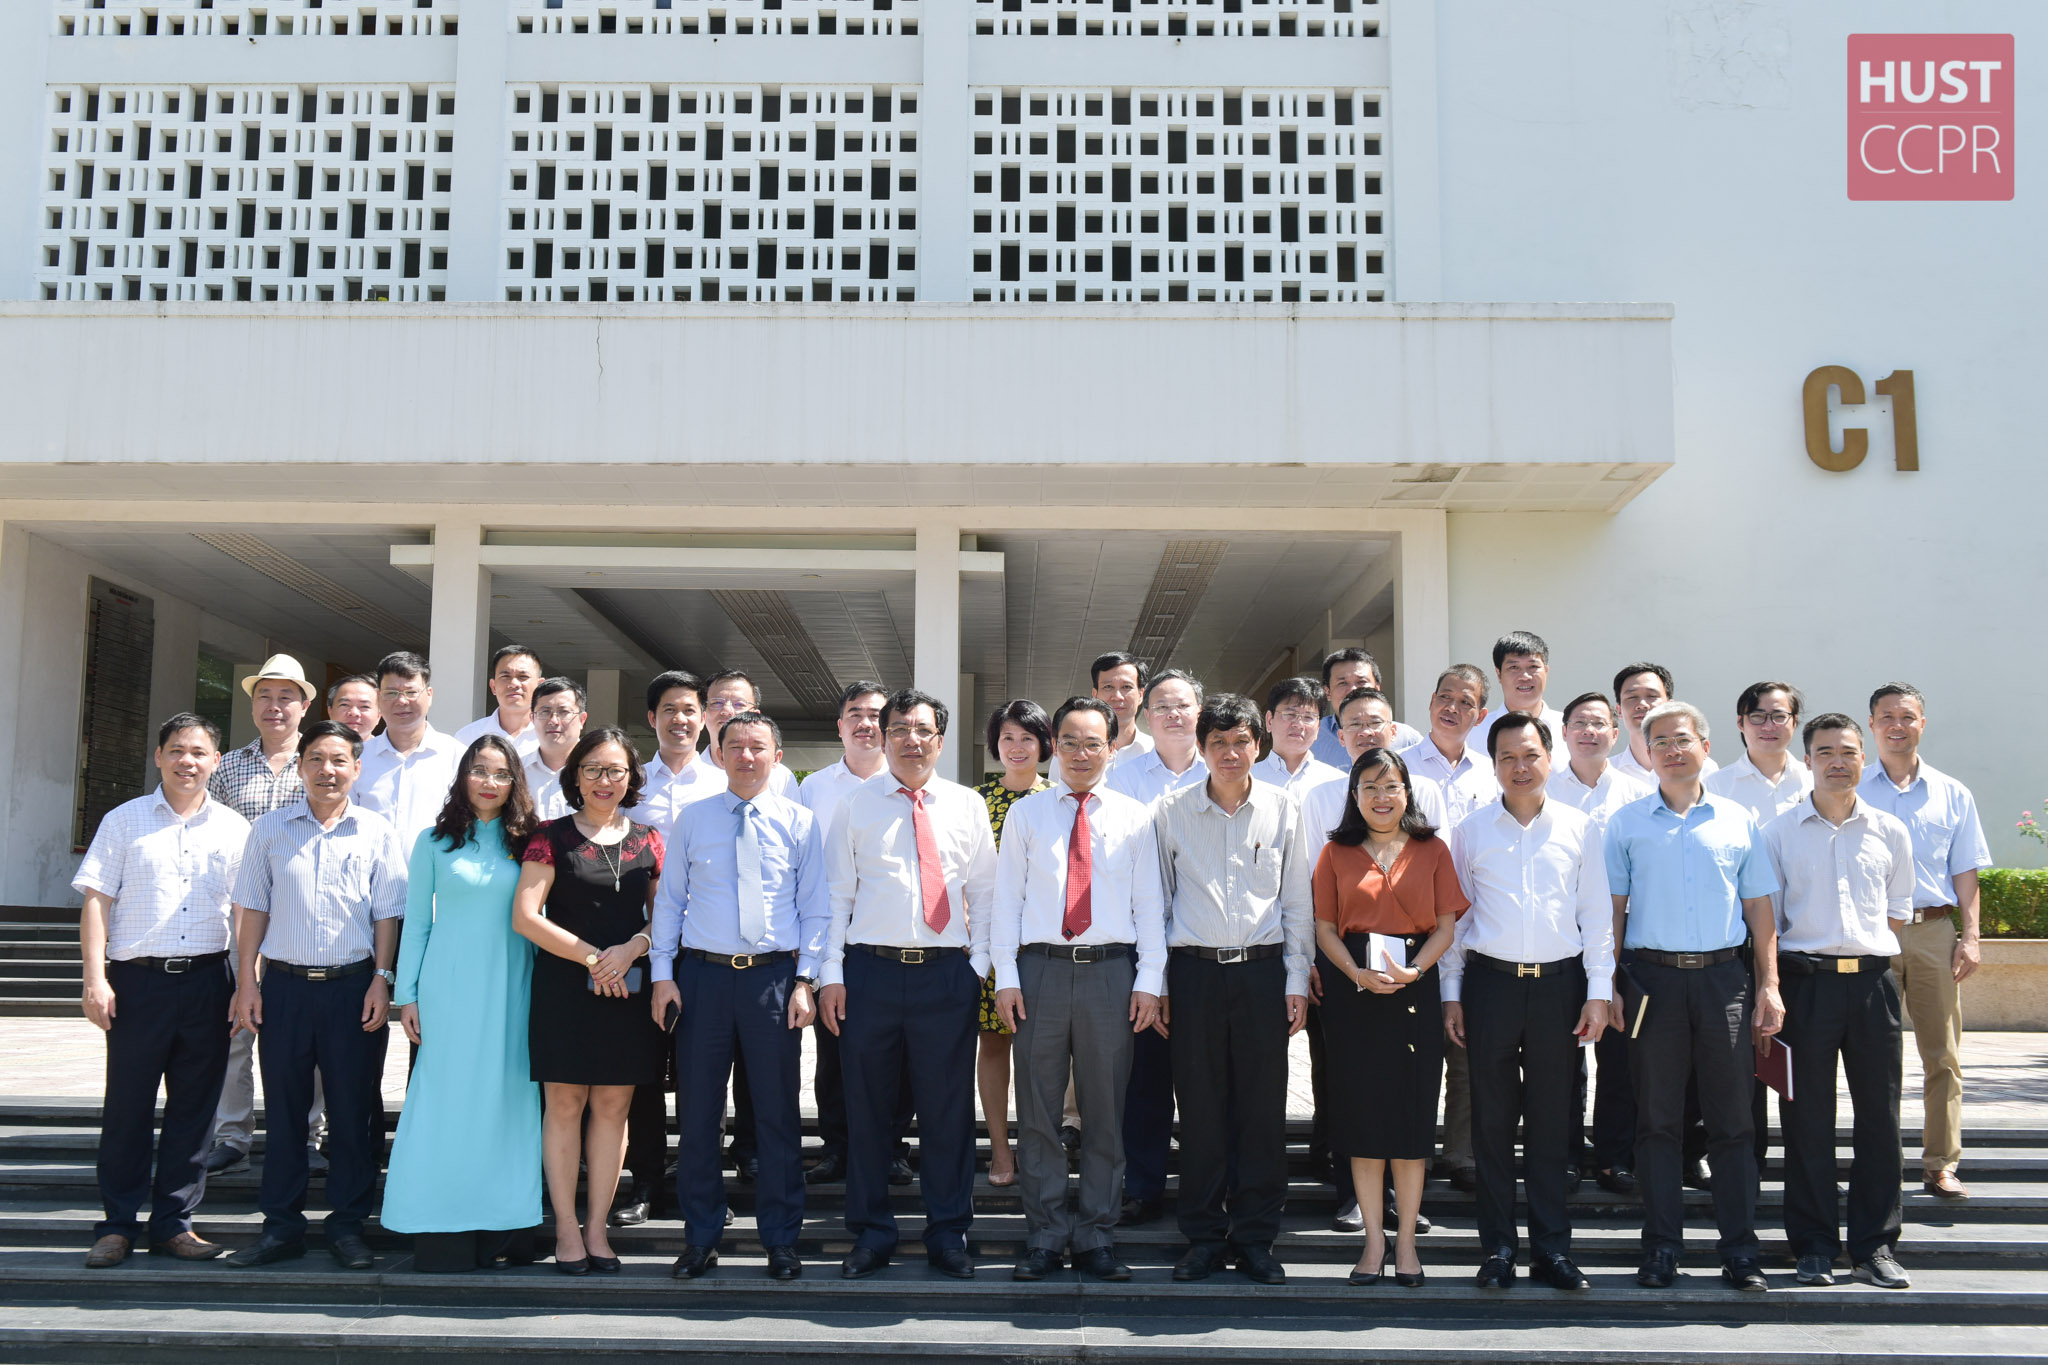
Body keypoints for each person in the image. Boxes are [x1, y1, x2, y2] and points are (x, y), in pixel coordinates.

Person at [818, 688, 997, 1280]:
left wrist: (978, 966)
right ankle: (872, 1233)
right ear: (884, 736)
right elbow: (835, 896)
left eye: (923, 730)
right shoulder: (855, 805)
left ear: (940, 741)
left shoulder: (967, 805)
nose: (911, 740)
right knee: (868, 1110)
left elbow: (985, 894)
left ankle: (948, 1233)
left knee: (947, 1112)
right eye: (899, 729)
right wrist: (831, 973)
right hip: (869, 973)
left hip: (946, 975)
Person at [1605, 700, 1781, 1293]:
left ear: (1706, 746)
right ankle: (1661, 1249)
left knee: (1733, 1121)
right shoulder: (1626, 824)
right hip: (1652, 982)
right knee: (1656, 1122)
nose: (1672, 750)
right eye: (1660, 742)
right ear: (1647, 753)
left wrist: (1769, 985)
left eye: (1682, 739)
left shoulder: (1738, 820)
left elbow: (1759, 909)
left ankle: (1740, 1252)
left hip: (1724, 981)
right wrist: (1609, 983)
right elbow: (1613, 911)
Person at [993, 697, 1166, 1282]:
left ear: (1111, 748)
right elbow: (1006, 901)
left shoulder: (1134, 817)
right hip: (1039, 971)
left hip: (1111, 974)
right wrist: (1006, 977)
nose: (1081, 753)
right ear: (1054, 746)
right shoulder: (1027, 816)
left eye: (1094, 742)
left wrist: (1149, 981)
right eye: (1070, 741)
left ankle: (1096, 1234)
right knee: (1038, 1110)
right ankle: (1044, 1235)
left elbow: (1149, 905)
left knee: (1105, 1111)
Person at [224, 720, 408, 1271]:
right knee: (284, 1114)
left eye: (339, 761)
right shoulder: (270, 829)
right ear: (301, 766)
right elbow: (253, 909)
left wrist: (382, 978)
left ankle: (347, 1226)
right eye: (316, 760)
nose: (328, 771)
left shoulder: (376, 831)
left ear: (357, 768)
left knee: (352, 1114)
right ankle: (281, 1228)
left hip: (354, 989)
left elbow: (388, 914)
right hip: (283, 989)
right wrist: (247, 981)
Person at [649, 711, 826, 1281]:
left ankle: (781, 1239)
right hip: (701, 979)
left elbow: (815, 908)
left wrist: (807, 980)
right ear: (719, 754)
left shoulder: (800, 822)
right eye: (736, 747)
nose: (747, 756)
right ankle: (701, 1236)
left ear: (777, 756)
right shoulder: (694, 819)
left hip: (772, 982)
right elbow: (670, 902)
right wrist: (662, 975)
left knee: (777, 1114)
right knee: (699, 1113)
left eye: (758, 747)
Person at [1441, 714, 1612, 1293]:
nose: (1520, 767)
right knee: (1491, 1124)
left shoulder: (1579, 827)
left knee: (1551, 1124)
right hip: (1490, 987)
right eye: (1508, 757)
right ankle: (1497, 1250)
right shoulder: (1470, 831)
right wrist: (1452, 995)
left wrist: (1598, 992)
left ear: (1550, 758)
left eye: (1531, 755)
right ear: (1493, 765)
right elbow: (1456, 922)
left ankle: (1552, 1250)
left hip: (1560, 989)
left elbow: (1596, 916)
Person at [75, 713, 250, 1268]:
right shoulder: (124, 821)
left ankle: (175, 1223)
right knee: (127, 1107)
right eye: (176, 750)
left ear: (215, 761)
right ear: (158, 757)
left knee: (195, 1111)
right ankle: (117, 1226)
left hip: (209, 983)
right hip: (137, 983)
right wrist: (95, 978)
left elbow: (246, 913)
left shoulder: (234, 828)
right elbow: (97, 901)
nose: (186, 761)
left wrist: (246, 983)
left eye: (198, 752)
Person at [1154, 693, 1313, 1286]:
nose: (1229, 752)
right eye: (1217, 742)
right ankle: (1202, 1236)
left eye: (1240, 741)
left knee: (1262, 1111)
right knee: (1199, 1108)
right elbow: (1158, 902)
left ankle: (1255, 1237)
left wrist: (1296, 978)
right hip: (1193, 973)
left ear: (1258, 745)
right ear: (1201, 748)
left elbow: (1296, 902)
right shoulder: (1171, 812)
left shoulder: (1283, 808)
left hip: (1261, 972)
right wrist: (1159, 983)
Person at [1762, 714, 1914, 1289]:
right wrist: (1772, 988)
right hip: (1807, 985)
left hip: (1873, 985)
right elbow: (1769, 921)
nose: (1837, 762)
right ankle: (1814, 1245)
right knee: (1806, 1118)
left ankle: (1876, 1245)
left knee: (1881, 1116)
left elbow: (1897, 910)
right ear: (1807, 761)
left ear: (1863, 758)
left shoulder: (1889, 830)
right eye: (1824, 752)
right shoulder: (1780, 832)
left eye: (1848, 751)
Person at [383, 736, 544, 1271]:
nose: (489, 782)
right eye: (479, 770)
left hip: (514, 986)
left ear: (515, 782)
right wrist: (406, 995)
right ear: (462, 777)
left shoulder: (532, 843)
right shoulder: (433, 842)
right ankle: (439, 1221)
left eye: (501, 773)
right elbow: (417, 923)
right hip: (447, 989)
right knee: (445, 1103)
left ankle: (506, 1226)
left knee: (509, 1102)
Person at [512, 726, 666, 1274]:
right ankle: (565, 1228)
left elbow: (666, 917)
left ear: (631, 777)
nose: (605, 780)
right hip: (565, 988)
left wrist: (632, 949)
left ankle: (597, 1228)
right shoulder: (548, 837)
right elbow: (526, 916)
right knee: (564, 1105)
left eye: (616, 770)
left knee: (613, 1108)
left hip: (627, 988)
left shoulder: (649, 840)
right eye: (593, 769)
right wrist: (595, 958)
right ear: (575, 776)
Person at [1312, 745, 1464, 1288]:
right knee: (1363, 1121)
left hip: (1413, 991)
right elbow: (1324, 928)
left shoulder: (1433, 849)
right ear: (1354, 796)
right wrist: (1356, 974)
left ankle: (1406, 1244)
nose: (1382, 797)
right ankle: (1373, 1241)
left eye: (1391, 786)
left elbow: (1445, 926)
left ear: (1407, 792)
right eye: (1370, 787)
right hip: (1353, 992)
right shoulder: (1335, 853)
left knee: (1410, 1119)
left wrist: (1416, 971)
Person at [1859, 681, 1992, 1201]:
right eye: (1887, 717)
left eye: (1907, 716)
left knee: (1943, 1055)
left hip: (1935, 931)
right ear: (1872, 725)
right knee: (1875, 1056)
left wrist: (1971, 936)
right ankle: (1879, 1164)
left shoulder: (1953, 793)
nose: (1898, 725)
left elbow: (1965, 872)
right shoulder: (1852, 788)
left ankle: (1940, 1163)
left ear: (1922, 723)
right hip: (1874, 933)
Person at [796, 681, 913, 1189]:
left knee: (898, 1054)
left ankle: (891, 1148)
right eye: (855, 714)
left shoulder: (909, 782)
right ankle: (837, 1147)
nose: (866, 724)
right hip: (833, 937)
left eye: (875, 715)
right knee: (835, 1048)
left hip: (892, 939)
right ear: (840, 726)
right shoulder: (813, 789)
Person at [204, 655, 314, 1179]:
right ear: (252, 705)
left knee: (304, 1036)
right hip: (239, 917)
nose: (275, 706)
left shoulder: (320, 760)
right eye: (265, 696)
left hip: (302, 920)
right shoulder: (226, 767)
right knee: (234, 1028)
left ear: (304, 705)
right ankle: (232, 1135)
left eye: (286, 697)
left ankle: (309, 1133)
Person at [1106, 668, 1207, 1228]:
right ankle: (1142, 1187)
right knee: (1143, 1080)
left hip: (1202, 952)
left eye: (1183, 705)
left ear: (1199, 712)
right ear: (1146, 715)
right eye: (1162, 706)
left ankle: (1203, 1190)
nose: (1172, 714)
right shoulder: (1121, 779)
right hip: (1140, 952)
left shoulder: (1222, 771)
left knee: (1204, 1082)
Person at [1399, 665, 1501, 1194]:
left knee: (1466, 1050)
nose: (1452, 708)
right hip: (1413, 928)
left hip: (1476, 925)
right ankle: (1408, 1151)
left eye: (1465, 702)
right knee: (1412, 1054)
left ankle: (1460, 1152)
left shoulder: (1491, 773)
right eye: (1445, 697)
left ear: (1480, 715)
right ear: (1430, 702)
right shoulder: (1400, 767)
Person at [1546, 691, 1653, 1197]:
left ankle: (1614, 1156)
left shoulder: (1638, 793)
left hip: (1624, 938)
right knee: (1565, 1055)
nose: (1589, 732)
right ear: (1564, 732)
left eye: (1598, 723)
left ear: (1615, 732)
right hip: (1561, 939)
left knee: (1620, 1054)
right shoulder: (1544, 788)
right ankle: (1566, 1156)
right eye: (1579, 723)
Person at [974, 699, 1054, 1188]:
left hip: (1047, 945)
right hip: (991, 944)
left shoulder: (1060, 798)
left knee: (1045, 1052)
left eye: (1027, 737)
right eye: (1007, 738)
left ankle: (1040, 1147)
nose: (1017, 747)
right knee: (995, 1043)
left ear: (1044, 744)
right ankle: (1001, 1150)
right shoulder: (975, 802)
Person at [357, 651, 465, 851]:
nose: (401, 701)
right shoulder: (359, 757)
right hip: (368, 869)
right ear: (379, 698)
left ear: (429, 695)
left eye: (411, 692)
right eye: (391, 693)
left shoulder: (457, 756)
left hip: (435, 869)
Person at [1706, 682, 1814, 826]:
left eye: (1779, 716)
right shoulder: (1716, 786)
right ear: (1740, 723)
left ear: (1794, 721)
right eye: (1757, 716)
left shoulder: (1814, 778)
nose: (1769, 726)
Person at [1049, 652, 1153, 786]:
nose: (1117, 696)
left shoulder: (1155, 752)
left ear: (1141, 695)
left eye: (1126, 687)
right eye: (1108, 687)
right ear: (1095, 694)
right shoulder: (1068, 753)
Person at [1609, 662, 1720, 782]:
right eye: (1632, 697)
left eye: (1651, 695)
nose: (1642, 704)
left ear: (1670, 706)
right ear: (1619, 710)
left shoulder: (1703, 768)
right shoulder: (1607, 773)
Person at [1312, 649, 1422, 769]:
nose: (1353, 689)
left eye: (1361, 681)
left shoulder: (1407, 739)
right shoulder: (1312, 737)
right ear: (1327, 692)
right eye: (1343, 683)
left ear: (1377, 688)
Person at [703, 670, 800, 799]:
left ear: (755, 714)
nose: (726, 710)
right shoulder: (686, 773)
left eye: (739, 704)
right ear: (703, 712)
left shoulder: (780, 776)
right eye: (717, 703)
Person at [1468, 631, 1566, 745]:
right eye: (1514, 667)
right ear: (1499, 674)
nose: (1525, 676)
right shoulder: (1471, 733)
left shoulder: (1571, 730)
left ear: (1546, 671)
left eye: (1533, 666)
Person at [1254, 677, 1344, 796]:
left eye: (1308, 717)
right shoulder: (1246, 781)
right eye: (1290, 714)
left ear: (1318, 728)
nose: (1299, 724)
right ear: (1269, 720)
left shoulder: (1338, 783)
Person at [455, 644, 544, 762]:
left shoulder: (553, 735)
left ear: (539, 686)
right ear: (493, 686)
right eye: (505, 676)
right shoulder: (467, 737)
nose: (514, 684)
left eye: (523, 676)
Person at [523, 677, 588, 821]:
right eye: (545, 712)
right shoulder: (516, 771)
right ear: (532, 718)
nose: (553, 721)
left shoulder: (599, 772)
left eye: (564, 712)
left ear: (582, 720)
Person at [326, 674, 381, 741]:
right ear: (330, 712)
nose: (354, 713)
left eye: (364, 706)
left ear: (379, 715)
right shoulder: (315, 747)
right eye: (345, 705)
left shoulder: (390, 748)